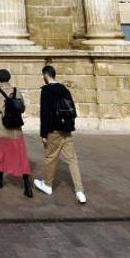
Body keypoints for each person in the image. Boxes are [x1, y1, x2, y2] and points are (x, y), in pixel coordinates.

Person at [34, 64, 86, 204]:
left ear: (46, 75)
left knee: (51, 158)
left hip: (53, 131)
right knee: (72, 160)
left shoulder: (46, 91)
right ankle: (80, 191)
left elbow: (44, 114)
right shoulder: (64, 89)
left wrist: (43, 134)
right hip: (66, 130)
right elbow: (71, 108)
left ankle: (47, 185)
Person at [0, 69, 33, 198]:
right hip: (17, 130)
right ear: (9, 78)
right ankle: (27, 186)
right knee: (21, 157)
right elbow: (22, 108)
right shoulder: (17, 91)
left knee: (2, 154)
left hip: (4, 129)